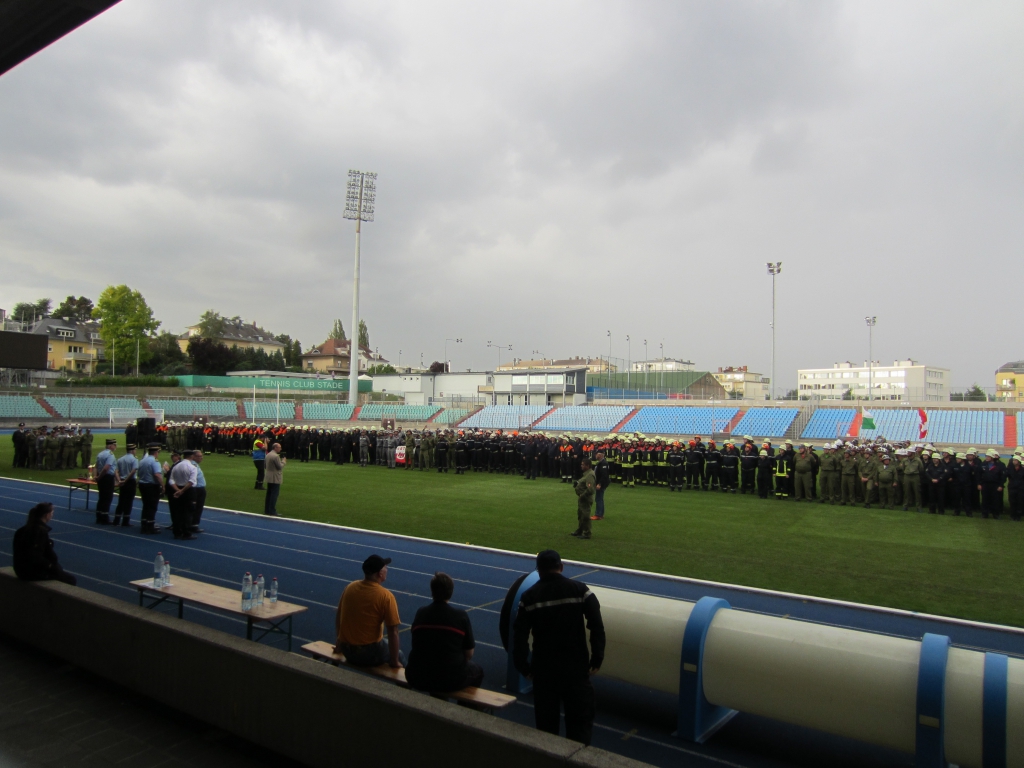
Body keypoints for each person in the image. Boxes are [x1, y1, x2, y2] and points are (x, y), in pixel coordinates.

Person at [513, 549, 605, 745]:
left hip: (545, 671)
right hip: (576, 669)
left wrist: (524, 666)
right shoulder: (580, 590)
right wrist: (597, 657)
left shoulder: (529, 597)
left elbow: (519, 634)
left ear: (538, 571)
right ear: (561, 567)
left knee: (546, 732)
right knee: (580, 730)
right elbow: (596, 624)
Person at [405, 571, 483, 693]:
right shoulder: (460, 616)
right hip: (450, 679)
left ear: (432, 591)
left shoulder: (421, 613)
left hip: (416, 675)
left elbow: (416, 643)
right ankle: (466, 710)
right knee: (477, 671)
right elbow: (469, 654)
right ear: (451, 592)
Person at [334, 554, 404, 668]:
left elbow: (339, 616)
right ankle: (406, 685)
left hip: (347, 649)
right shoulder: (386, 596)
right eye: (385, 567)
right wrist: (395, 661)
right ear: (380, 574)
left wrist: (339, 642)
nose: (387, 570)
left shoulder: (350, 587)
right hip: (368, 653)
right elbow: (393, 631)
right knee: (400, 655)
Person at [13, 502, 77, 585]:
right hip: (31, 572)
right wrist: (51, 566)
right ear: (47, 515)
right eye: (52, 513)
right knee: (71, 580)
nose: (52, 515)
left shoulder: (23, 529)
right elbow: (35, 556)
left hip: (21, 569)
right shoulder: (39, 532)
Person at [167, 449, 198, 540]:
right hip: (188, 491)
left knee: (178, 512)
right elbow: (191, 482)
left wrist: (178, 490)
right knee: (188, 512)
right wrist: (182, 490)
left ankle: (177, 532)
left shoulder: (176, 466)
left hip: (177, 490)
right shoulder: (192, 467)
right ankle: (186, 533)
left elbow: (171, 480)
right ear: (191, 456)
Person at [137, 443, 164, 534]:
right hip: (151, 486)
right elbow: (157, 474)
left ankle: (144, 523)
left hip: (142, 484)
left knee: (146, 505)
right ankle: (150, 525)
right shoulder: (154, 461)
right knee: (152, 506)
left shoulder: (142, 461)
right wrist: (163, 486)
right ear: (156, 452)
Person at [92, 438, 118, 525]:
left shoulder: (100, 454)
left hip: (101, 477)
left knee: (101, 497)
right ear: (110, 446)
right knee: (107, 498)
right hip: (107, 478)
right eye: (114, 445)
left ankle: (99, 516)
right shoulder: (110, 455)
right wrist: (99, 477)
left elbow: (95, 466)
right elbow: (106, 468)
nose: (115, 447)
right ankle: (104, 517)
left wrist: (95, 476)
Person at [112, 444, 139, 527]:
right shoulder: (134, 459)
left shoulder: (120, 459)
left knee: (121, 501)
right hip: (130, 482)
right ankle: (125, 521)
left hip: (122, 481)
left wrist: (120, 480)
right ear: (132, 450)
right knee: (129, 502)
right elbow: (133, 471)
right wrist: (126, 480)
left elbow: (116, 471)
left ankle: (116, 520)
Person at [572, 458, 596, 539]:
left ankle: (587, 533)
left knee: (585, 516)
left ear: (587, 466)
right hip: (582, 498)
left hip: (585, 498)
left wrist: (582, 495)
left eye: (583, 464)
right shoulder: (586, 474)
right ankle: (580, 530)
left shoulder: (590, 475)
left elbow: (590, 489)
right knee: (580, 515)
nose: (581, 466)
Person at [264, 442, 285, 516]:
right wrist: (283, 462)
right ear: (275, 448)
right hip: (275, 477)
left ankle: (267, 509)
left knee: (269, 494)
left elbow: (265, 465)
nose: (280, 449)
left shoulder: (268, 454)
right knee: (274, 494)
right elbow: (279, 467)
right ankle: (272, 510)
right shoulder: (275, 456)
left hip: (269, 476)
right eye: (279, 447)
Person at [190, 450, 207, 534]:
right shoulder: (193, 465)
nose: (201, 458)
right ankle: (194, 525)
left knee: (196, 507)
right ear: (193, 457)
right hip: (197, 489)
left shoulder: (195, 465)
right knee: (197, 508)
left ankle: (192, 524)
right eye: (199, 456)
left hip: (198, 489)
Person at [591, 452, 609, 520]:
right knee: (600, 499)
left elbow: (604, 475)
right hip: (600, 483)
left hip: (601, 483)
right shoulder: (600, 463)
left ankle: (598, 515)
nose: (596, 455)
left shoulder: (603, 463)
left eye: (597, 454)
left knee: (598, 499)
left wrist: (599, 484)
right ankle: (601, 514)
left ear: (601, 455)